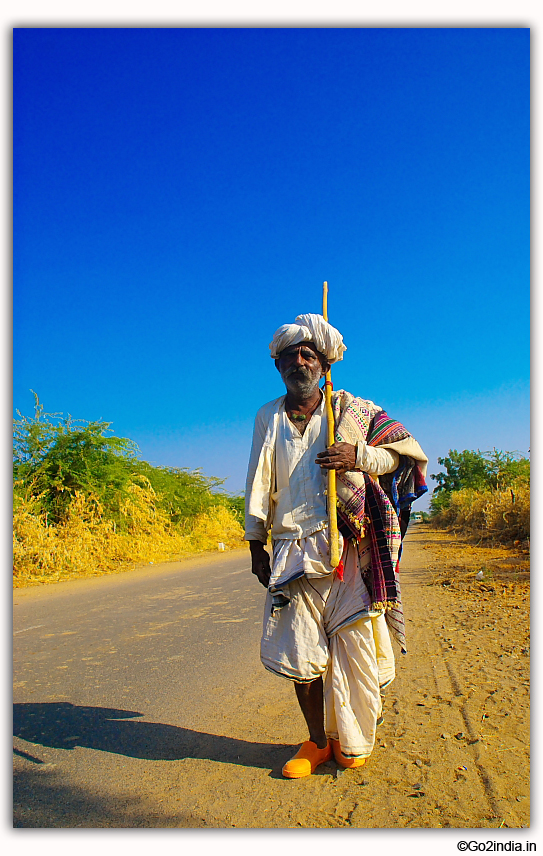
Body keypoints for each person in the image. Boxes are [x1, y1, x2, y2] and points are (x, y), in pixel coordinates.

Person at [245, 313, 428, 779]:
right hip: (290, 546)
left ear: (325, 365)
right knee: (302, 655)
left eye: (309, 354)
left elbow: (402, 453)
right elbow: (258, 481)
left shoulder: (350, 409)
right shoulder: (268, 416)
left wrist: (356, 456)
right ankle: (316, 741)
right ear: (278, 365)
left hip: (349, 545)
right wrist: (255, 543)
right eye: (290, 355)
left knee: (354, 646)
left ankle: (353, 738)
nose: (299, 361)